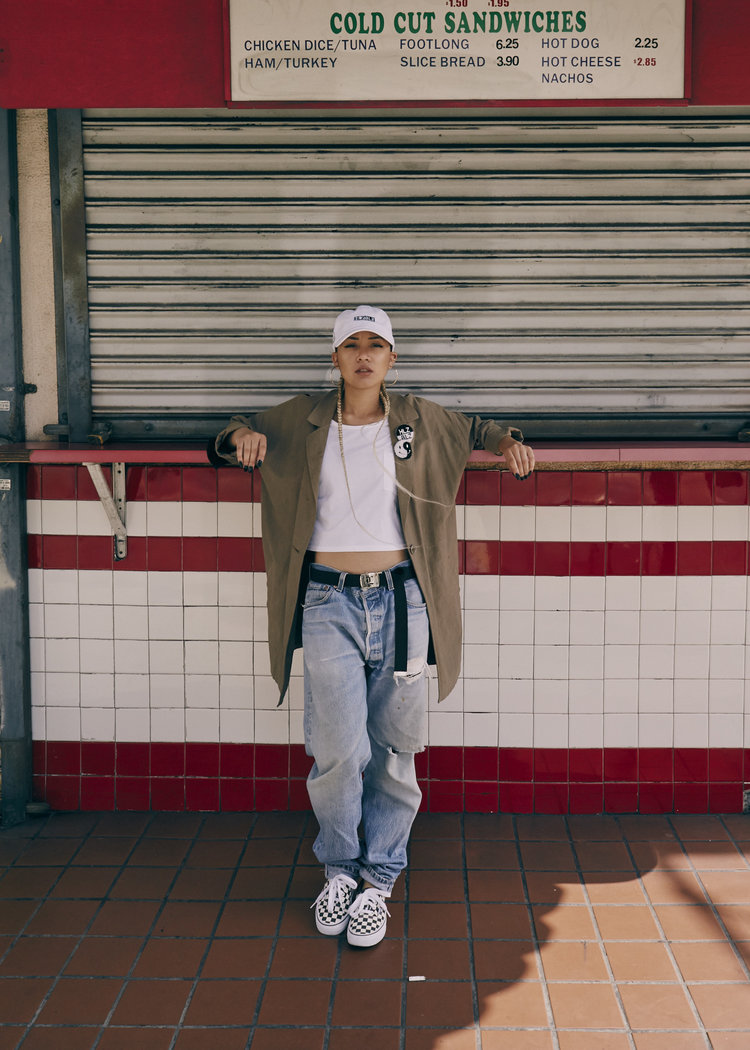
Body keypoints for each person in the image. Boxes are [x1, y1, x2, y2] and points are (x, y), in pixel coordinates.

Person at [212, 306, 534, 948]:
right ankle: (338, 870)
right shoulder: (302, 419)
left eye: (376, 345)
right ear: (335, 358)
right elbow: (232, 432)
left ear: (392, 358)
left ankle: (379, 880)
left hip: (405, 602)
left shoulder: (419, 418)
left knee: (395, 748)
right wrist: (239, 437)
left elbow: (481, 425)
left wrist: (507, 443)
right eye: (351, 345)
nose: (364, 355)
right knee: (337, 751)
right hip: (327, 600)